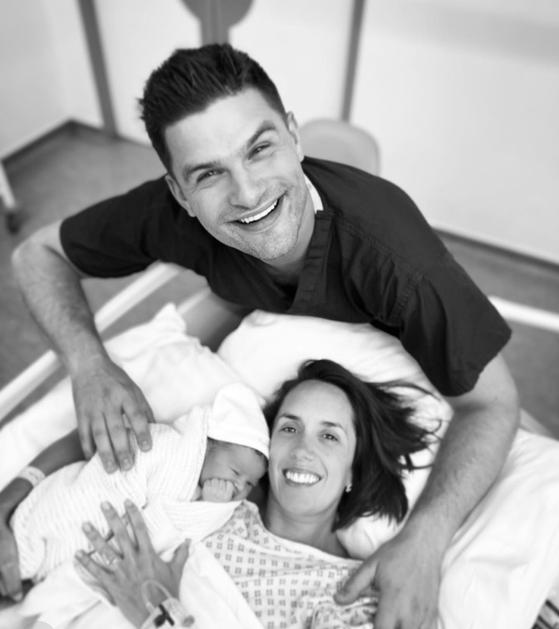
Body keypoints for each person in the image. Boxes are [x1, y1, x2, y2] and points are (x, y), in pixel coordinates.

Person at [9, 43, 520, 628]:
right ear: (179, 194)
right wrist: (89, 364)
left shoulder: (397, 263)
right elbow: (35, 255)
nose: (248, 192)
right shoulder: (169, 218)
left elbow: (494, 403)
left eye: (259, 148)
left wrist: (425, 539)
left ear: (295, 137)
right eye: (209, 173)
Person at [72, 359, 437, 628]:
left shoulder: (347, 596)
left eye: (329, 436)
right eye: (289, 428)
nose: (302, 449)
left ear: (353, 470)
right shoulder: (211, 498)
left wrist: (158, 612)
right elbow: (109, 458)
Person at [6, 383, 268, 583]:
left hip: (103, 546)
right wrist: (204, 507)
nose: (238, 485)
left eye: (249, 483)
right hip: (89, 494)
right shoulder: (173, 451)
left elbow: (170, 536)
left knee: (45, 567)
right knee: (48, 529)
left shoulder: (218, 505)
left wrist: (209, 506)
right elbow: (162, 515)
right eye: (236, 471)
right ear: (207, 445)